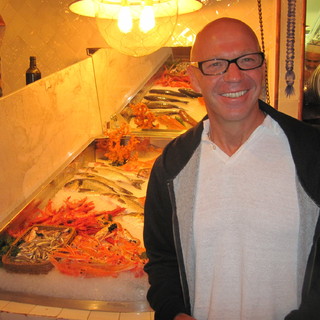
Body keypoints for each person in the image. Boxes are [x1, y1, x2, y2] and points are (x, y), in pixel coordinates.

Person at [143, 17, 320, 320]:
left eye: (247, 60)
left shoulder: (310, 152)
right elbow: (162, 258)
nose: (234, 76)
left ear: (263, 68)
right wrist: (174, 312)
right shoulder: (172, 165)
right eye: (215, 64)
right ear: (194, 79)